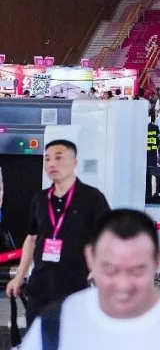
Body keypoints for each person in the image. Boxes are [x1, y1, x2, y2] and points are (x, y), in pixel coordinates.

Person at [18, 209, 160, 350]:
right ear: (90, 258)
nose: (123, 285)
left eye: (137, 271)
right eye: (110, 271)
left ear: (157, 261)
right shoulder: (54, 326)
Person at [5, 139, 110, 326]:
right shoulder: (40, 198)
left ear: (74, 163)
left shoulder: (92, 198)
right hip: (40, 286)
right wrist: (20, 276)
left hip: (76, 285)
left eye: (59, 158)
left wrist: (99, 268)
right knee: (37, 335)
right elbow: (32, 238)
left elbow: (109, 237)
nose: (51, 164)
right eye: (47, 159)